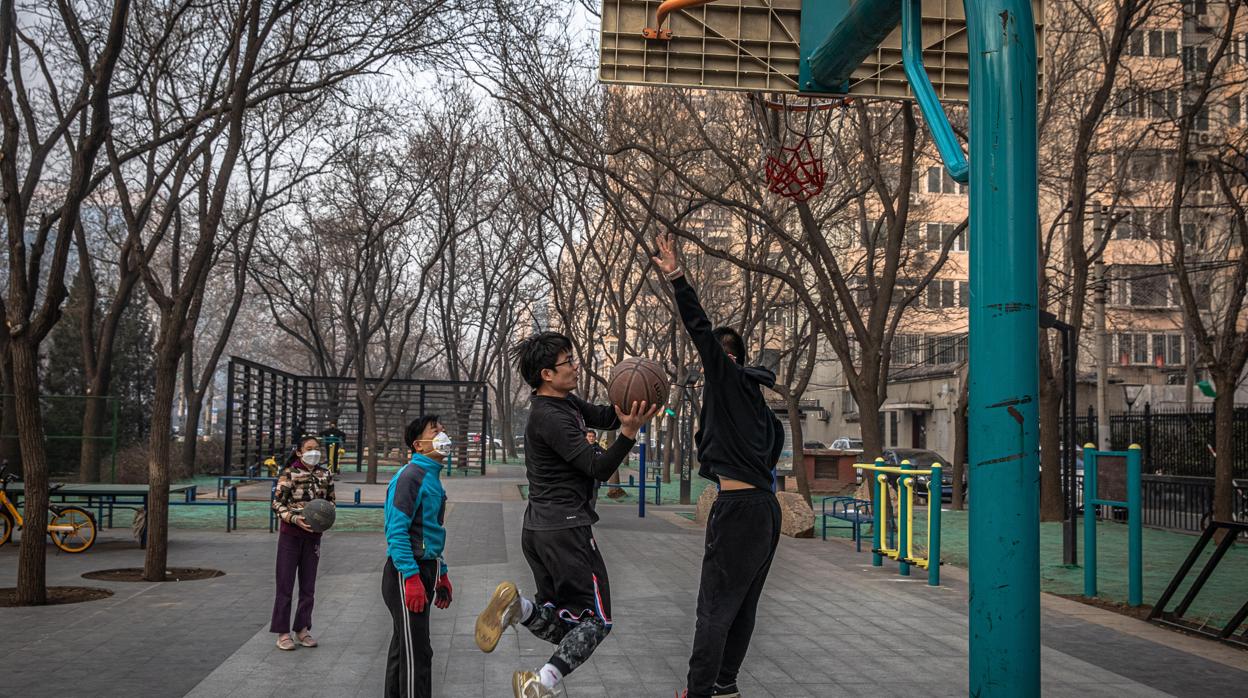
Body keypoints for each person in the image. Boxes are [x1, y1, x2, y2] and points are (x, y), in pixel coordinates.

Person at [473, 331, 660, 698]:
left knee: (566, 624)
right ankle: (540, 683)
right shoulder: (548, 417)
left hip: (541, 530)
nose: (576, 366)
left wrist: (637, 403)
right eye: (568, 362)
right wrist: (628, 434)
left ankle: (519, 608)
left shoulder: (566, 403)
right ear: (546, 374)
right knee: (597, 622)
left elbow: (607, 415)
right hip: (566, 531)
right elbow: (598, 466)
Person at [653, 231, 785, 698]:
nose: (713, 359)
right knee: (743, 604)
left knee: (713, 608)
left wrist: (676, 276)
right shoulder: (762, 411)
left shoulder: (725, 377)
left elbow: (699, 329)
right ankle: (725, 683)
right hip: (766, 510)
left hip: (739, 511)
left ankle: (698, 690)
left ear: (726, 361)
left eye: (719, 355)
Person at [381, 415, 454, 698]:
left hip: (424, 569)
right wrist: (411, 578)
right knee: (417, 653)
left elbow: (431, 532)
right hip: (405, 573)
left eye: (443, 429)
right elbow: (396, 531)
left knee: (404, 649)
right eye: (435, 431)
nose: (443, 435)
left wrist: (441, 572)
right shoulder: (410, 476)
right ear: (419, 445)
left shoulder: (432, 478)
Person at [270, 435, 336, 651]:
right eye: (309, 448)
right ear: (299, 452)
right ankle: (282, 633)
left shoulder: (325, 474)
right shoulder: (289, 473)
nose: (314, 452)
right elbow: (277, 504)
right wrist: (295, 519)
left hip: (313, 537)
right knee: (285, 585)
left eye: (317, 449)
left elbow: (330, 502)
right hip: (290, 536)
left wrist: (325, 518)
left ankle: (302, 630)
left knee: (308, 587)